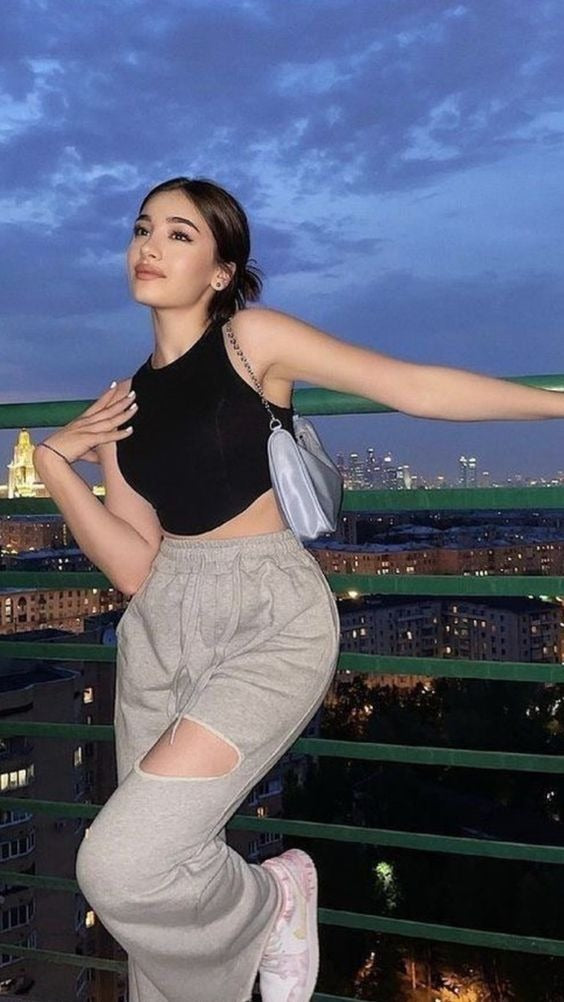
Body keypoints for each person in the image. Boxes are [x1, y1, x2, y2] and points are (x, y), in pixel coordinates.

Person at [33, 176, 564, 1002]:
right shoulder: (124, 403)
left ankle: (269, 899)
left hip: (268, 619)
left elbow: (413, 387)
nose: (149, 245)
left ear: (221, 270)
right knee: (160, 902)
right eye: (142, 228)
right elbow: (135, 566)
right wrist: (54, 464)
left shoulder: (251, 340)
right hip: (161, 632)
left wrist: (557, 406)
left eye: (179, 233)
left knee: (121, 865)